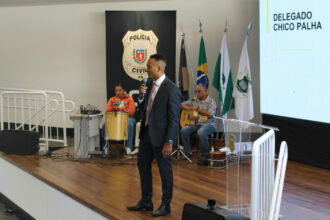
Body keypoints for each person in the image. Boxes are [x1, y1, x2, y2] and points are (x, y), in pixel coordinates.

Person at [127, 54, 181, 217]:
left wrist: (169, 141)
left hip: (162, 138)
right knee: (142, 166)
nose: (146, 69)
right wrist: (141, 96)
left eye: (149, 66)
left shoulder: (172, 89)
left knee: (165, 171)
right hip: (146, 134)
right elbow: (143, 107)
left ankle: (166, 204)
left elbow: (174, 118)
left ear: (159, 68)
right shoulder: (149, 83)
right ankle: (146, 201)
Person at [180, 83, 217, 159]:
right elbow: (182, 104)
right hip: (197, 123)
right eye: (196, 91)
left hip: (209, 124)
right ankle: (187, 152)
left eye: (199, 91)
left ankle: (205, 154)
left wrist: (197, 109)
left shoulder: (211, 101)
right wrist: (189, 108)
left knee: (201, 132)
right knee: (184, 130)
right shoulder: (194, 100)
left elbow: (210, 115)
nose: (197, 93)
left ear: (205, 91)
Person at [101, 83, 136, 155]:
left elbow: (131, 112)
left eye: (120, 90)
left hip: (127, 118)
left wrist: (119, 107)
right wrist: (117, 106)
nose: (118, 92)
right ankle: (105, 146)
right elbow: (108, 110)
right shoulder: (112, 99)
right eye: (116, 91)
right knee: (104, 124)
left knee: (130, 124)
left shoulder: (129, 99)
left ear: (124, 90)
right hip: (114, 118)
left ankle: (128, 147)